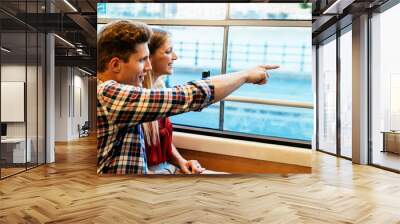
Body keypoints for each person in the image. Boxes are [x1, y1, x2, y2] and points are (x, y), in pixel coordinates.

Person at [97, 20, 279, 175]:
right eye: (142, 60)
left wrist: (180, 161)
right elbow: (189, 96)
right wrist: (245, 75)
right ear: (115, 65)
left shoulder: (122, 94)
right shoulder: (108, 94)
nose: (148, 67)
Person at [142, 28, 204, 174]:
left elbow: (162, 140)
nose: (175, 57)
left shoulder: (160, 88)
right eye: (169, 51)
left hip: (165, 167)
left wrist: (182, 161)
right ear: (148, 58)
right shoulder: (135, 98)